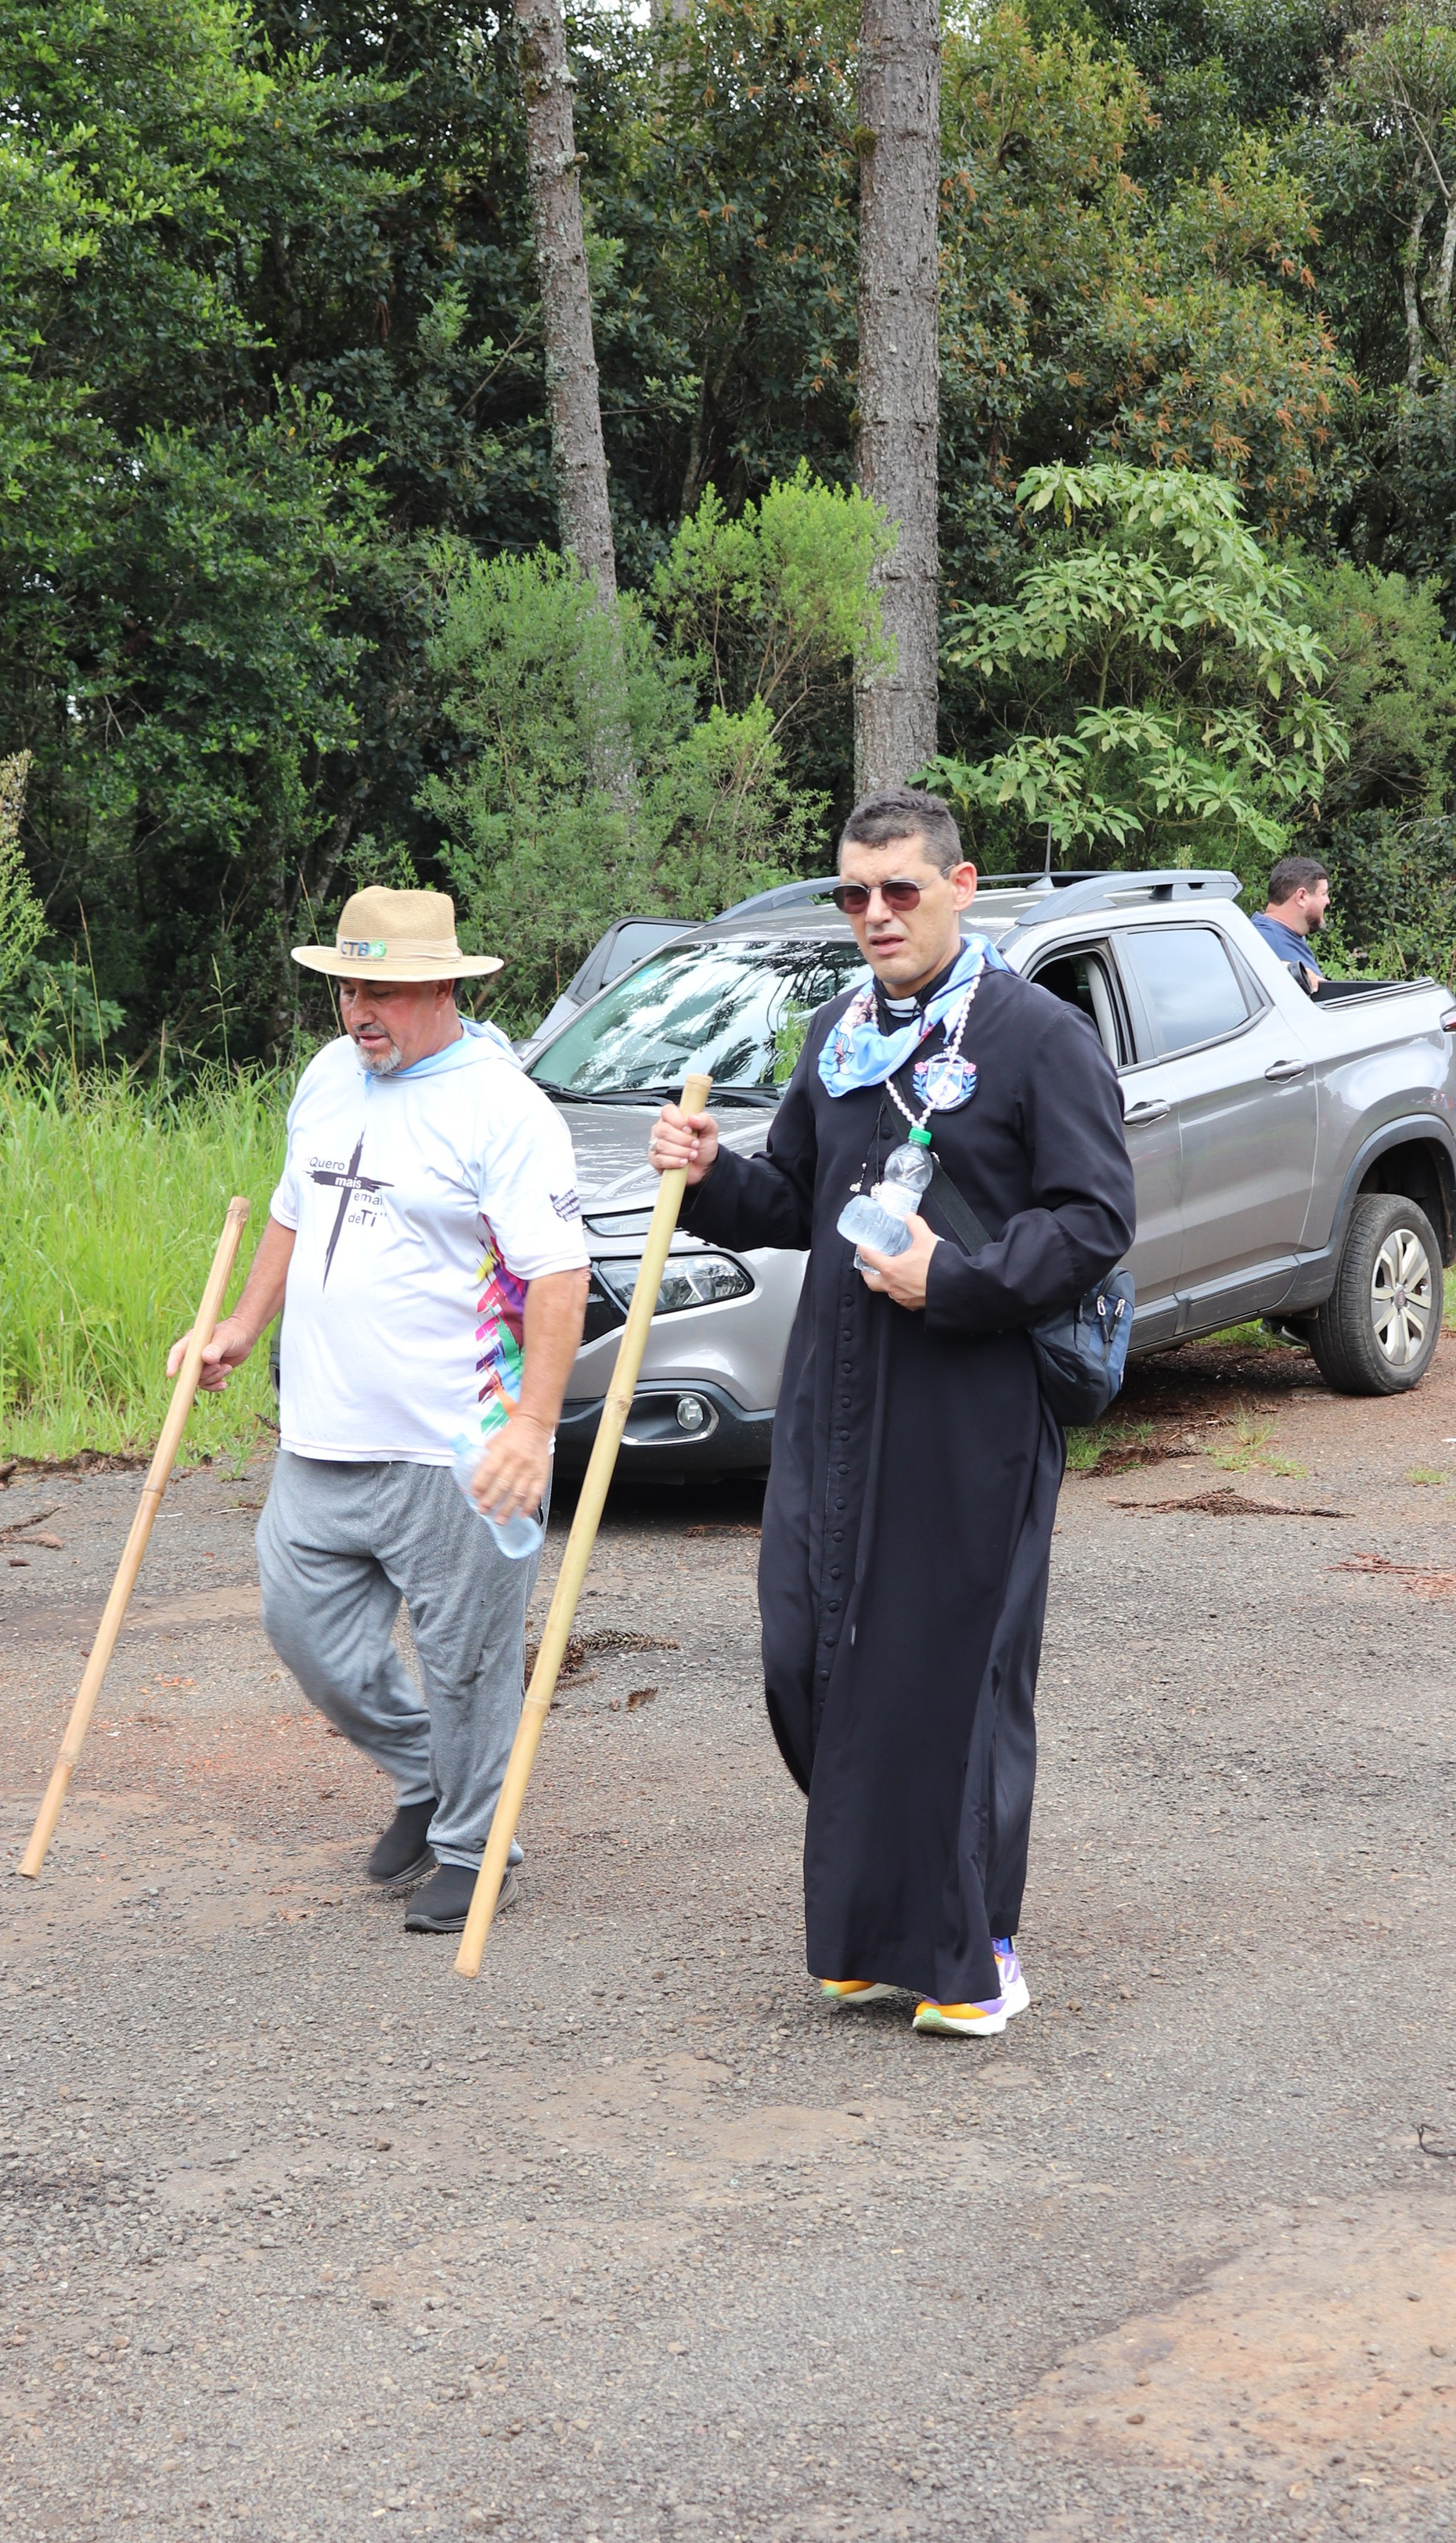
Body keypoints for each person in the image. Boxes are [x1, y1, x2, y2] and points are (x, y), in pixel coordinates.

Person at [646, 792, 1134, 2035]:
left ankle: (976, 1952)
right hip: (835, 1391)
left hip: (969, 1396)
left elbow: (1093, 1221)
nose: (874, 915)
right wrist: (710, 1179)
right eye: (853, 894)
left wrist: (955, 1279)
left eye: (899, 891)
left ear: (960, 886)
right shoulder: (839, 1033)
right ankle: (871, 1928)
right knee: (809, 1657)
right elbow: (795, 1198)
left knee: (948, 1677)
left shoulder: (1038, 1036)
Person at [168, 888, 590, 1934]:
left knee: (469, 1663)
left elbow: (559, 1276)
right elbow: (291, 1209)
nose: (362, 1011)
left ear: (443, 986)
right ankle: (426, 1776)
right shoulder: (328, 1078)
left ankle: (471, 1842)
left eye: (386, 992)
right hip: (325, 1428)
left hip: (459, 1439)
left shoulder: (503, 1107)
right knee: (303, 1625)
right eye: (350, 987)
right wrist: (236, 1328)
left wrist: (533, 1428)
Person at [1251, 855, 1330, 994]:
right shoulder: (1263, 940)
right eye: (1323, 894)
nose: (1327, 901)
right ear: (1301, 897)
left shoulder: (1286, 933)